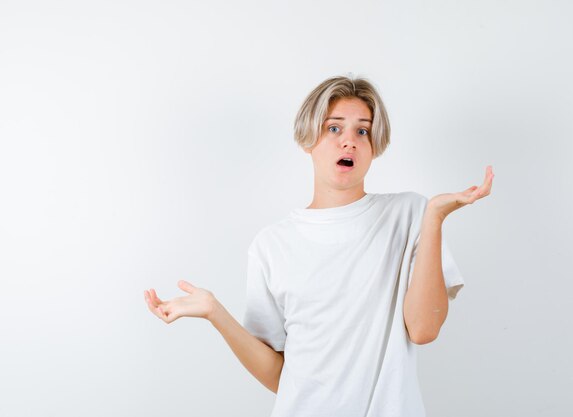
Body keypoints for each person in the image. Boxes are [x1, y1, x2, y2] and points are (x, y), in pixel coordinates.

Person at [144, 74, 494, 416]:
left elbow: (423, 329)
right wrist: (214, 312)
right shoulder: (272, 245)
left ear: (374, 146)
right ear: (308, 139)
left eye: (362, 131)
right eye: (334, 128)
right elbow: (280, 376)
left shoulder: (411, 213)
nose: (349, 141)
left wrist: (434, 217)